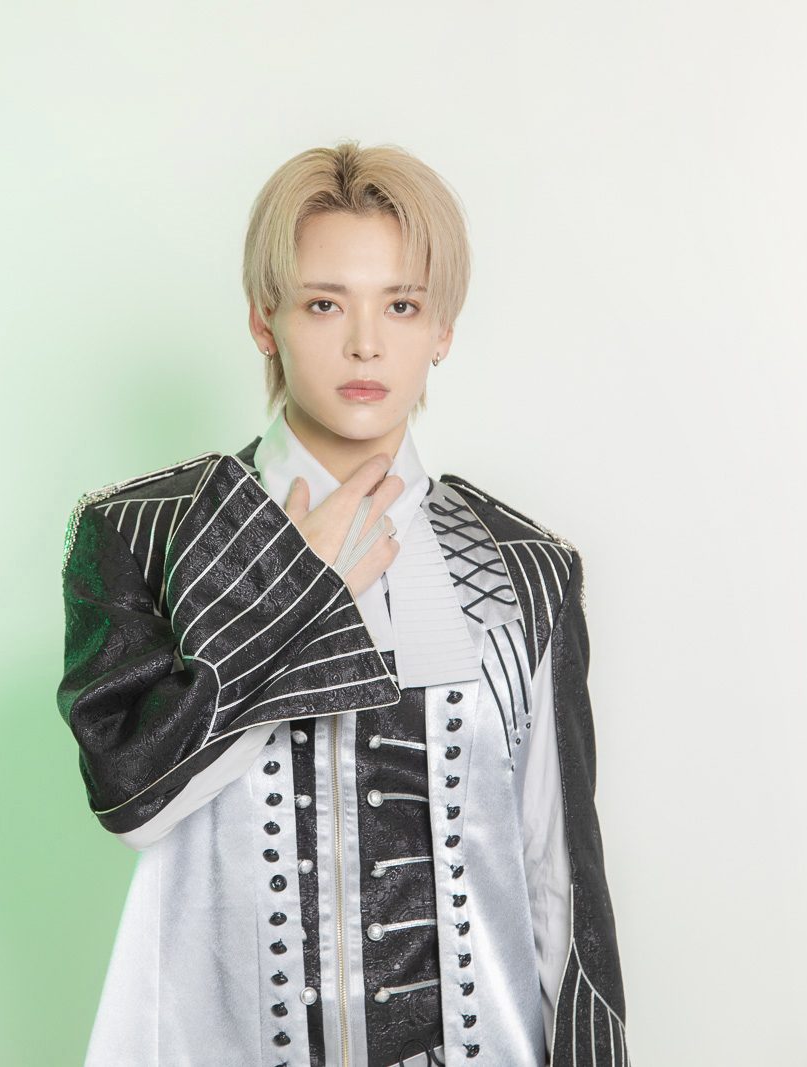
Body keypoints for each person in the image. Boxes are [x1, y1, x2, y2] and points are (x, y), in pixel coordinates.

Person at [56, 140, 630, 1066]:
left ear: (441, 329)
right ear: (264, 320)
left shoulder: (525, 568)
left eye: (401, 305)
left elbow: (559, 884)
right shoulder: (143, 533)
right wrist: (299, 583)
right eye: (325, 303)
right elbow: (132, 796)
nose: (367, 343)